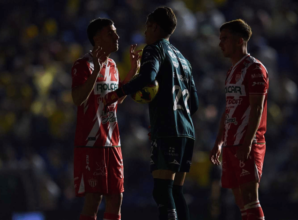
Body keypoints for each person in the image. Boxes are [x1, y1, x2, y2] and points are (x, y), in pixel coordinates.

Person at [103, 7, 199, 220]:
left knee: (162, 191)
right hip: (187, 132)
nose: (145, 32)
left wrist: (118, 93)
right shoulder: (183, 59)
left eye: (147, 27)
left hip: (168, 129)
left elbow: (148, 76)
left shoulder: (154, 49)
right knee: (176, 191)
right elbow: (195, 103)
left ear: (155, 27)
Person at [71, 18, 142, 220]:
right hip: (91, 143)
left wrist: (132, 73)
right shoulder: (82, 65)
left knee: (116, 197)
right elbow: (77, 99)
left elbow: (114, 100)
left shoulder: (112, 65)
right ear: (97, 38)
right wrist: (95, 70)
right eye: (111, 33)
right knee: (94, 199)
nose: (117, 36)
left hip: (113, 142)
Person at [210, 19, 269, 220]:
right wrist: (219, 141)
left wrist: (247, 142)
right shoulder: (230, 72)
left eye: (224, 39)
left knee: (251, 198)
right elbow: (229, 109)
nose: (220, 44)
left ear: (239, 41)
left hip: (248, 143)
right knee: (240, 202)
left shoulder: (255, 69)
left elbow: (257, 107)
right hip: (230, 143)